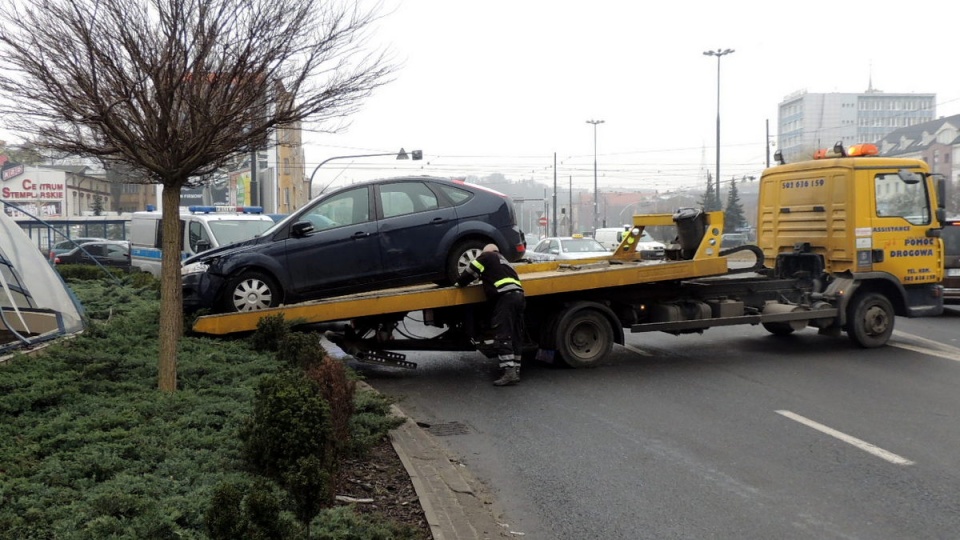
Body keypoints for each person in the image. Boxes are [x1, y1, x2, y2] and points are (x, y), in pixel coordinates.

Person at [455, 243, 525, 386]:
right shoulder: (505, 262)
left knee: (503, 334)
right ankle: (516, 370)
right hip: (519, 297)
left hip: (505, 298)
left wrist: (459, 283)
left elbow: (470, 271)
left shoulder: (487, 256)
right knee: (516, 334)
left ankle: (508, 372)